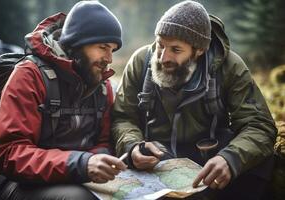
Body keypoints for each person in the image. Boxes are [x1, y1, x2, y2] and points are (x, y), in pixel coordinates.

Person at [111, 1, 277, 199]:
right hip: (156, 161)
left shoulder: (229, 67)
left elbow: (260, 125)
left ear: (199, 50)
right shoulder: (141, 62)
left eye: (176, 49)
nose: (164, 57)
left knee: (263, 163)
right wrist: (132, 147)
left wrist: (230, 158)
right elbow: (123, 117)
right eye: (160, 45)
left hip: (209, 159)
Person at [0, 1, 127, 200]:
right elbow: (9, 153)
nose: (109, 58)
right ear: (77, 44)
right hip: (14, 183)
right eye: (103, 47)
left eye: (112, 50)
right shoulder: (30, 75)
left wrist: (100, 160)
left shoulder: (102, 86)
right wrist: (81, 164)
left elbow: (102, 141)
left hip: (74, 177)